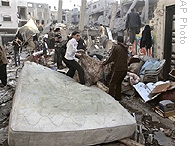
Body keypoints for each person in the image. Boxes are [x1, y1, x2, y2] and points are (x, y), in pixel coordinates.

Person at [102, 36, 128, 101]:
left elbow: (111, 58)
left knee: (112, 83)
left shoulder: (116, 47)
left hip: (118, 69)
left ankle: (111, 99)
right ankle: (118, 97)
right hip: (125, 69)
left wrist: (104, 63)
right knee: (118, 83)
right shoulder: (125, 48)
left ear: (117, 40)